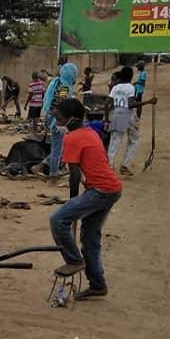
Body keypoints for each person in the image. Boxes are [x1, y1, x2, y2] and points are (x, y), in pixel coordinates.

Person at [49, 98, 122, 299]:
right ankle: (98, 284)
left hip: (101, 190)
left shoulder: (72, 139)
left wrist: (72, 202)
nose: (57, 123)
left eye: (59, 118)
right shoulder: (90, 131)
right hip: (111, 188)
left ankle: (73, 259)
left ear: (71, 119)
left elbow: (73, 175)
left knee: (57, 220)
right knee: (90, 238)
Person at [41, 63, 78, 180]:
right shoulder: (65, 87)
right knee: (57, 147)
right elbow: (61, 104)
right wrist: (59, 121)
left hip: (53, 118)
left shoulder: (57, 83)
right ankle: (53, 173)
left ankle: (43, 165)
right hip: (58, 120)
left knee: (60, 145)